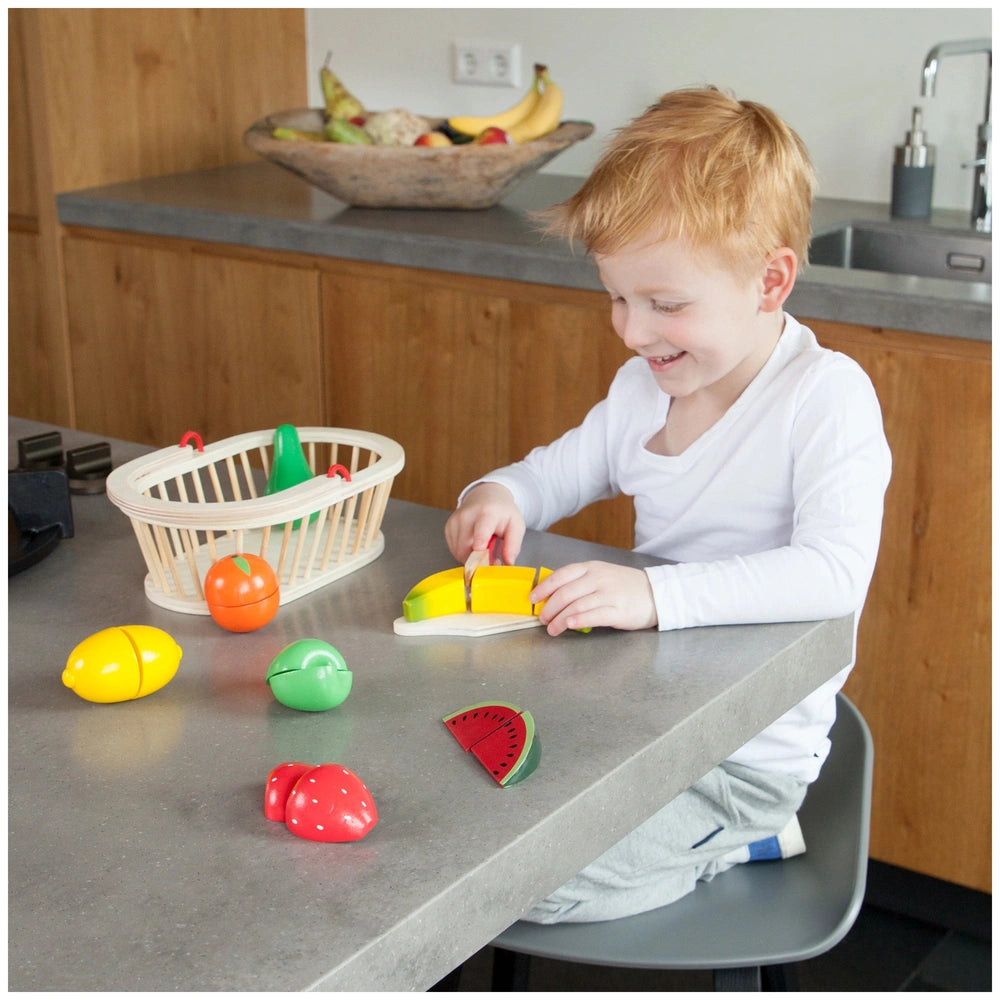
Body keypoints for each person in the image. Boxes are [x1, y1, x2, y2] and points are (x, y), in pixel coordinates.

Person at [444, 86, 892, 924]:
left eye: (666, 304)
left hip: (739, 762)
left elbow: (833, 575)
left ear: (770, 281)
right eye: (617, 296)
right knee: (462, 840)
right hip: (637, 722)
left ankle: (747, 837)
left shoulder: (825, 398)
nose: (630, 330)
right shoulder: (645, 384)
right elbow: (556, 473)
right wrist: (498, 494)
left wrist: (654, 595)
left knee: (524, 892)